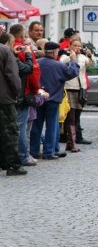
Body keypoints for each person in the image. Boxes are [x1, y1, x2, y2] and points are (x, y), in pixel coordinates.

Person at [31, 41, 79, 160]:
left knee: (36, 126)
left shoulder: (37, 62)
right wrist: (73, 61)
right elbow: (72, 73)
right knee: (52, 126)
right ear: (54, 52)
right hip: (53, 100)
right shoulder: (58, 65)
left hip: (38, 98)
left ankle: (34, 151)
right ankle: (49, 152)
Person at [8, 24, 37, 166]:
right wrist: (28, 53)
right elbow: (29, 70)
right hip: (21, 92)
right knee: (22, 126)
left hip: (12, 93)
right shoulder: (20, 51)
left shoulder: (12, 50)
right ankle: (23, 155)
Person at [59, 38, 93, 152]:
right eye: (75, 45)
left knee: (77, 117)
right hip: (69, 89)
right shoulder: (65, 56)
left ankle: (71, 142)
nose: (77, 48)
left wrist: (90, 56)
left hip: (80, 89)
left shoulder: (83, 58)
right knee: (70, 117)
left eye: (79, 46)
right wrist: (71, 57)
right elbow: (61, 64)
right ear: (70, 46)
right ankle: (71, 143)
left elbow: (92, 64)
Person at [0, 31, 26, 175]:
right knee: (10, 131)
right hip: (4, 98)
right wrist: (16, 92)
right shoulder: (5, 50)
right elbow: (12, 75)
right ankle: (12, 165)